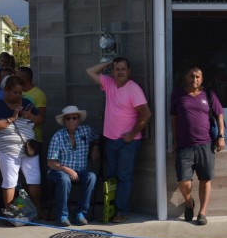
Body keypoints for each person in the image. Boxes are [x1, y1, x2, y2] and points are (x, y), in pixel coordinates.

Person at [86, 57, 152, 222]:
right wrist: (108, 63)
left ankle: (122, 211)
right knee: (111, 176)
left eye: (123, 69)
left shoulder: (134, 89)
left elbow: (146, 113)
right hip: (110, 140)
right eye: (117, 69)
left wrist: (132, 133)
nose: (120, 72)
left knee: (124, 176)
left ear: (129, 71)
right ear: (112, 71)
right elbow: (89, 71)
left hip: (128, 142)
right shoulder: (108, 83)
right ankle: (110, 210)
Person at [169, 67, 226, 226]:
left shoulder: (208, 94)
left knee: (205, 179)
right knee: (183, 182)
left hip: (205, 144)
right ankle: (189, 203)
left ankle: (202, 212)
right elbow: (174, 118)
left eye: (198, 77)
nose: (194, 79)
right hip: (184, 145)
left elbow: (219, 114)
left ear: (202, 78)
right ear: (186, 77)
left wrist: (221, 135)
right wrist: (175, 140)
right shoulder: (178, 94)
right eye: (192, 76)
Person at [0, 75, 43, 224]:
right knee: (10, 181)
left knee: (34, 179)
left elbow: (40, 120)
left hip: (28, 147)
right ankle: (10, 214)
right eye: (15, 92)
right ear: (6, 90)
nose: (18, 95)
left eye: (20, 92)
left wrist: (30, 115)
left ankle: (37, 210)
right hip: (7, 149)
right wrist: (12, 118)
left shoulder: (27, 103)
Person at [46, 105, 99, 227]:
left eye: (74, 118)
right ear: (64, 121)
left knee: (91, 176)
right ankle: (62, 216)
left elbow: (97, 136)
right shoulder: (58, 136)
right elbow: (51, 162)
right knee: (64, 179)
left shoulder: (86, 130)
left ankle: (80, 213)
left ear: (79, 120)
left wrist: (95, 147)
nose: (71, 120)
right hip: (59, 170)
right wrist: (67, 170)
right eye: (68, 118)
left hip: (80, 171)